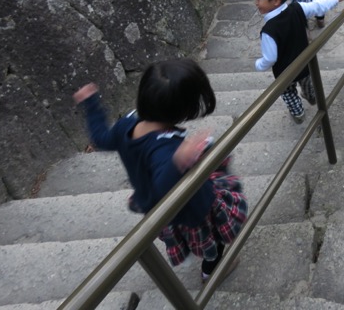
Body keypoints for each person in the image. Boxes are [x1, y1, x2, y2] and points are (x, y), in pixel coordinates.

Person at [72, 58, 247, 286]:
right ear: (182, 110)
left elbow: (101, 139)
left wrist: (91, 105)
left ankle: (204, 257)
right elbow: (163, 188)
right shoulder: (165, 149)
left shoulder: (128, 122)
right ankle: (212, 271)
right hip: (192, 208)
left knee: (192, 233)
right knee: (212, 238)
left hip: (157, 208)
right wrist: (179, 160)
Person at [252, 0, 344, 123]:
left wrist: (258, 65)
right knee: (309, 84)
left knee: (288, 93)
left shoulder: (268, 31)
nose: (256, 3)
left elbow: (270, 58)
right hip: (305, 64)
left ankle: (298, 113)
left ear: (275, 1)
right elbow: (318, 5)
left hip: (284, 73)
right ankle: (312, 98)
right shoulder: (298, 8)